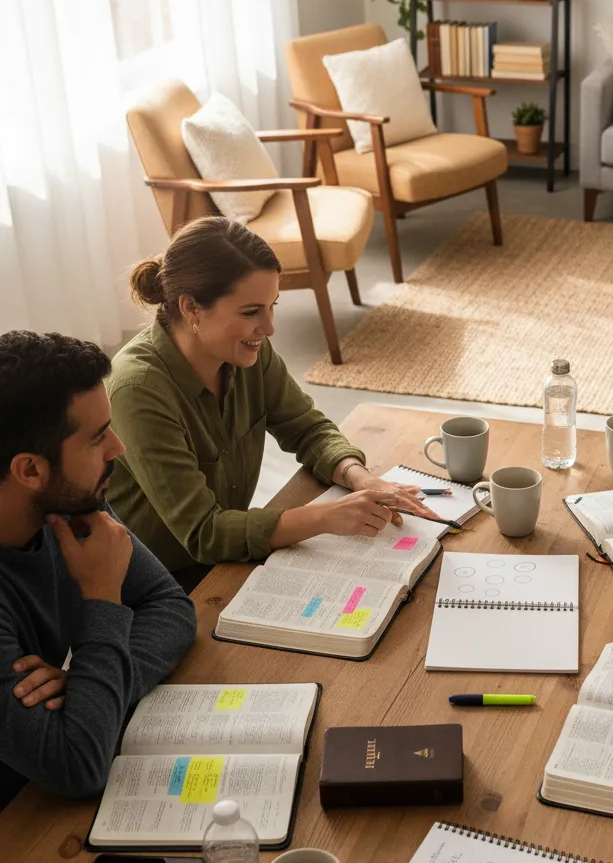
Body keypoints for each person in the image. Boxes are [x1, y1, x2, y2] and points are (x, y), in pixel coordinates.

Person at [107, 216, 438, 590]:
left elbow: (307, 428)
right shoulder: (138, 390)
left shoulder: (247, 352)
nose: (269, 328)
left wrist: (360, 478)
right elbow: (204, 532)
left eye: (272, 306)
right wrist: (323, 517)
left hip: (229, 558)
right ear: (191, 308)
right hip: (157, 585)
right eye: (251, 312)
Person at [0, 332, 196, 811]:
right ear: (30, 470)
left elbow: (170, 606)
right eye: (97, 437)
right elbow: (77, 763)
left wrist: (91, 688)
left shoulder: (70, 499)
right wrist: (103, 594)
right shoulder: (72, 496)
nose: (118, 447)